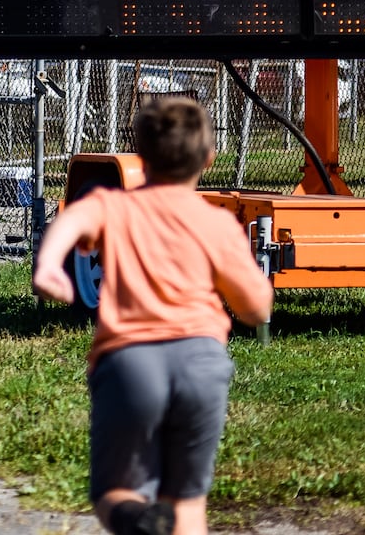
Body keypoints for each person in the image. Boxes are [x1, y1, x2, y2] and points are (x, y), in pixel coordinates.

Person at [32, 97, 273, 535]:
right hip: (202, 361)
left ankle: (135, 519)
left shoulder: (112, 206)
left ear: (139, 159)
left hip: (130, 361)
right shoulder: (217, 223)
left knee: (115, 493)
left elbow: (71, 221)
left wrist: (49, 266)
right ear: (208, 158)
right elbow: (256, 308)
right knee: (187, 504)